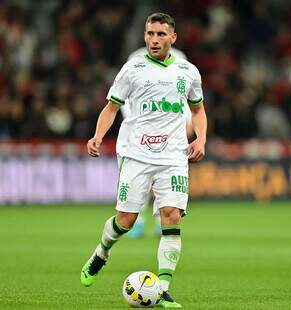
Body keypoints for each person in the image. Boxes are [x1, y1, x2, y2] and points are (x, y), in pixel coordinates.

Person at [81, 12, 207, 308]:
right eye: (150, 34)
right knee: (126, 220)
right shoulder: (133, 69)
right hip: (136, 154)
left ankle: (161, 289)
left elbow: (198, 110)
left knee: (172, 217)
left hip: (174, 154)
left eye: (161, 34)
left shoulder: (188, 71)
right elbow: (111, 108)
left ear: (173, 38)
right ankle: (101, 252)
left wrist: (200, 139)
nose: (154, 39)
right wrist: (98, 136)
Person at [122, 47, 193, 239]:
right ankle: (137, 222)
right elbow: (127, 99)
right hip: (140, 133)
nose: (157, 39)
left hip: (170, 134)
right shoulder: (135, 58)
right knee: (140, 182)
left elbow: (183, 96)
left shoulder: (180, 58)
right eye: (152, 33)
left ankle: (162, 221)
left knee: (164, 183)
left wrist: (186, 123)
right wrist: (137, 127)